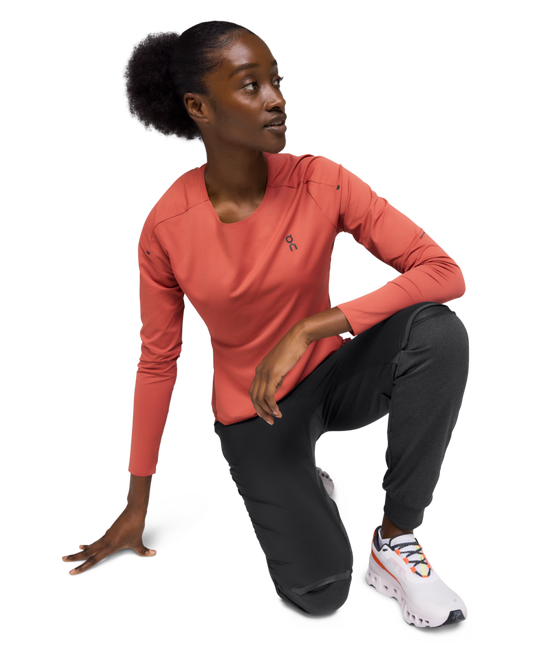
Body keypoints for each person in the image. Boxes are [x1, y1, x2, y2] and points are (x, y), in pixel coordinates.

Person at [60, 18, 472, 627]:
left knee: (438, 333)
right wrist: (136, 502)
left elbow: (445, 272)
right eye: (250, 85)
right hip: (256, 411)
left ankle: (395, 542)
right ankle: (306, 479)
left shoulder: (320, 177)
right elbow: (157, 361)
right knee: (321, 597)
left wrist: (314, 327)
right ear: (199, 107)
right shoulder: (165, 227)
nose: (277, 98)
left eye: (276, 80)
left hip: (334, 375)